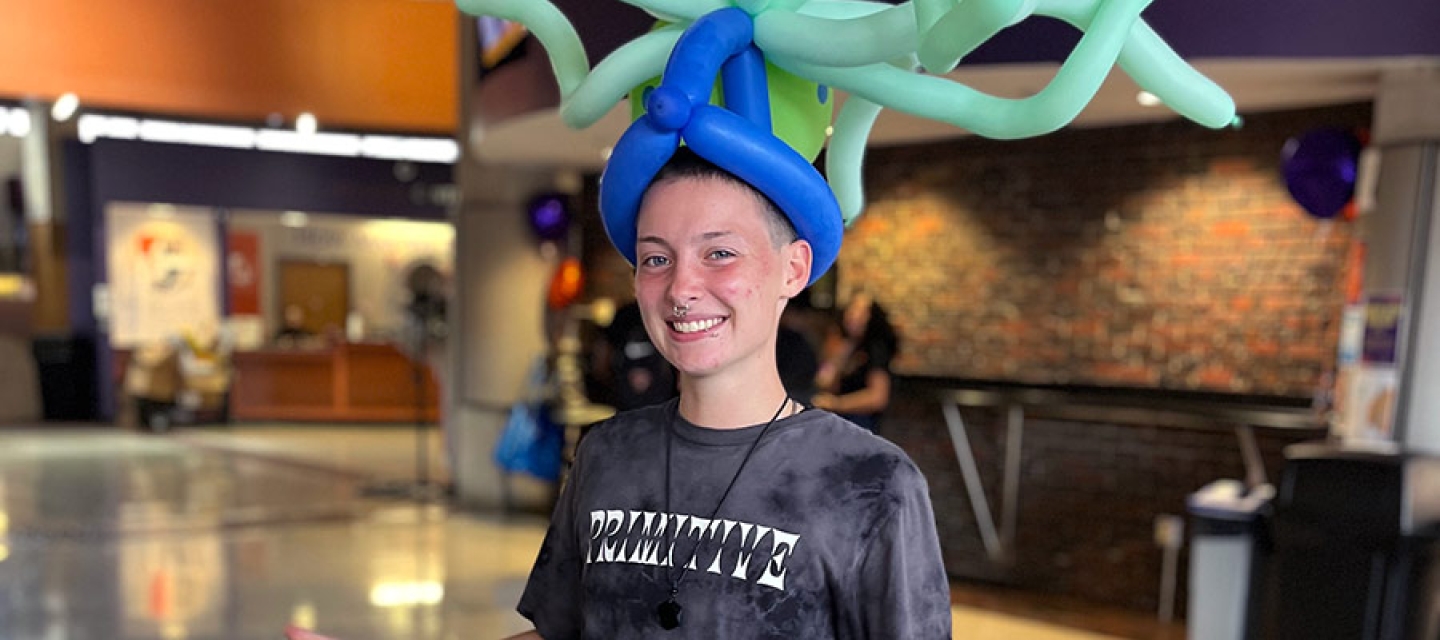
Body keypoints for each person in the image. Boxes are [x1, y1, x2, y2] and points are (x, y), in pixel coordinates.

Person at [506, 148, 951, 639]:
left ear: (792, 269)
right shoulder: (606, 453)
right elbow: (560, 631)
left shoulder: (872, 482)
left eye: (719, 253)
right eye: (656, 258)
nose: (681, 288)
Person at [812, 292, 899, 434]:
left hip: (861, 425)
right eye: (852, 310)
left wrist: (838, 404)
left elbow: (878, 397)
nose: (853, 316)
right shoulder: (847, 347)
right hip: (841, 424)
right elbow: (823, 382)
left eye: (861, 312)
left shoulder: (875, 350)